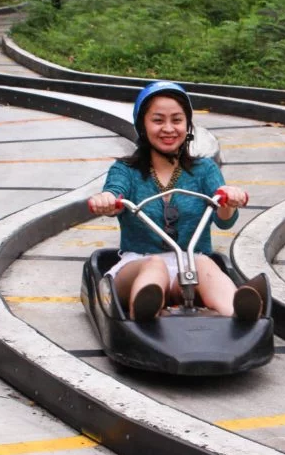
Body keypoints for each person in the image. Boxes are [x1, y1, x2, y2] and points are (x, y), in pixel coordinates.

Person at [86, 81, 260, 322]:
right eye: (158, 120)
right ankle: (144, 313)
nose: (168, 129)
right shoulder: (126, 170)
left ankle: (239, 314)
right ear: (143, 125)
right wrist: (108, 200)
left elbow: (224, 219)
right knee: (154, 265)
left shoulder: (204, 169)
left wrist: (228, 199)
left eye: (176, 120)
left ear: (187, 125)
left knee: (203, 262)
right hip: (138, 265)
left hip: (187, 273)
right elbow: (115, 192)